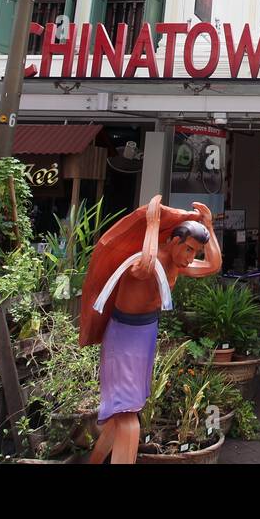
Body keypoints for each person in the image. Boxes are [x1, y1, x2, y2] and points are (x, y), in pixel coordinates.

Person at [83, 195, 220, 464]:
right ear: (173, 241)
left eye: (196, 252)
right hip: (123, 338)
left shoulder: (178, 264)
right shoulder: (148, 257)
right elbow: (144, 267)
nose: (192, 258)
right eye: (190, 250)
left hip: (144, 337)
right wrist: (153, 225)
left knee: (124, 413)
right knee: (128, 419)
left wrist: (209, 226)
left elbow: (214, 265)